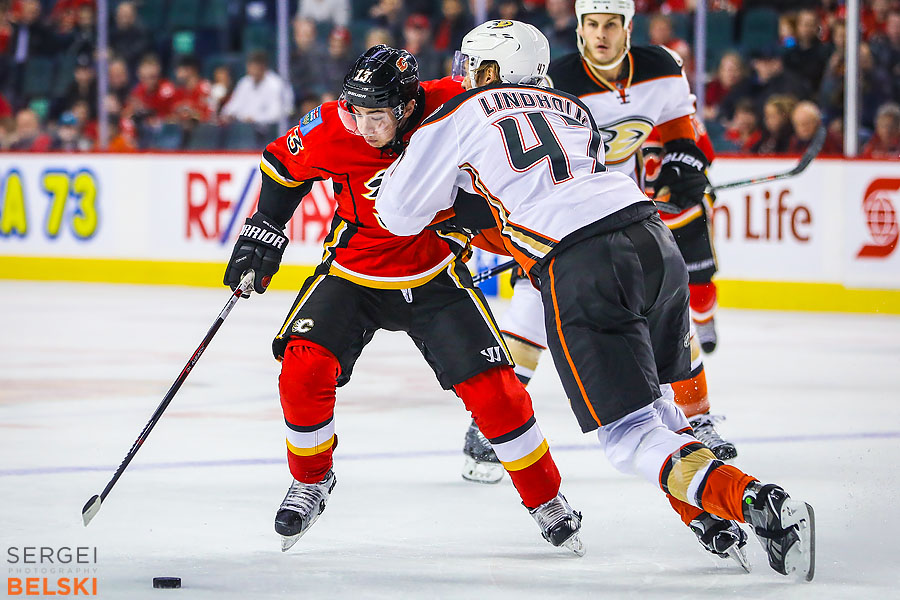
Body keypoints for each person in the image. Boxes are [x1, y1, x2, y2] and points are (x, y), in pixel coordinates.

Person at [374, 19, 816, 581]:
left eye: (472, 65)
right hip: (653, 242)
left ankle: (759, 503)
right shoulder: (572, 108)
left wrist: (431, 184)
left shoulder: (457, 116)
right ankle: (706, 512)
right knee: (656, 407)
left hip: (582, 263)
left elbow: (395, 214)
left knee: (627, 436)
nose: (464, 75)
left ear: (488, 69)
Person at [221, 44, 584, 555]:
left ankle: (546, 499)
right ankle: (310, 481)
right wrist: (264, 227)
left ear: (408, 106)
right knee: (302, 370)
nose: (363, 126)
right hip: (353, 273)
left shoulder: (459, 104)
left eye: (376, 115)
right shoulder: (331, 127)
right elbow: (282, 164)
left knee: (496, 394)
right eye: (355, 111)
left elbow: (527, 129)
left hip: (435, 275)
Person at [460, 0, 736, 486]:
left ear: (628, 27)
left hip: (621, 209)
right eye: (592, 24)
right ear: (580, 28)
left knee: (665, 316)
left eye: (611, 24)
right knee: (528, 320)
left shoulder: (661, 69)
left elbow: (680, 132)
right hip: (554, 221)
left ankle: (699, 419)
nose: (601, 34)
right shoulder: (556, 81)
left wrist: (683, 166)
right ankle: (490, 426)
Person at [221, 50, 294, 127]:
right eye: (250, 67)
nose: (253, 71)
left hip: (272, 131)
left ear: (263, 67)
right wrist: (228, 114)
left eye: (255, 68)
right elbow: (233, 105)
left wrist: (255, 119)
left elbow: (276, 114)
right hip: (246, 129)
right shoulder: (244, 82)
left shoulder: (276, 84)